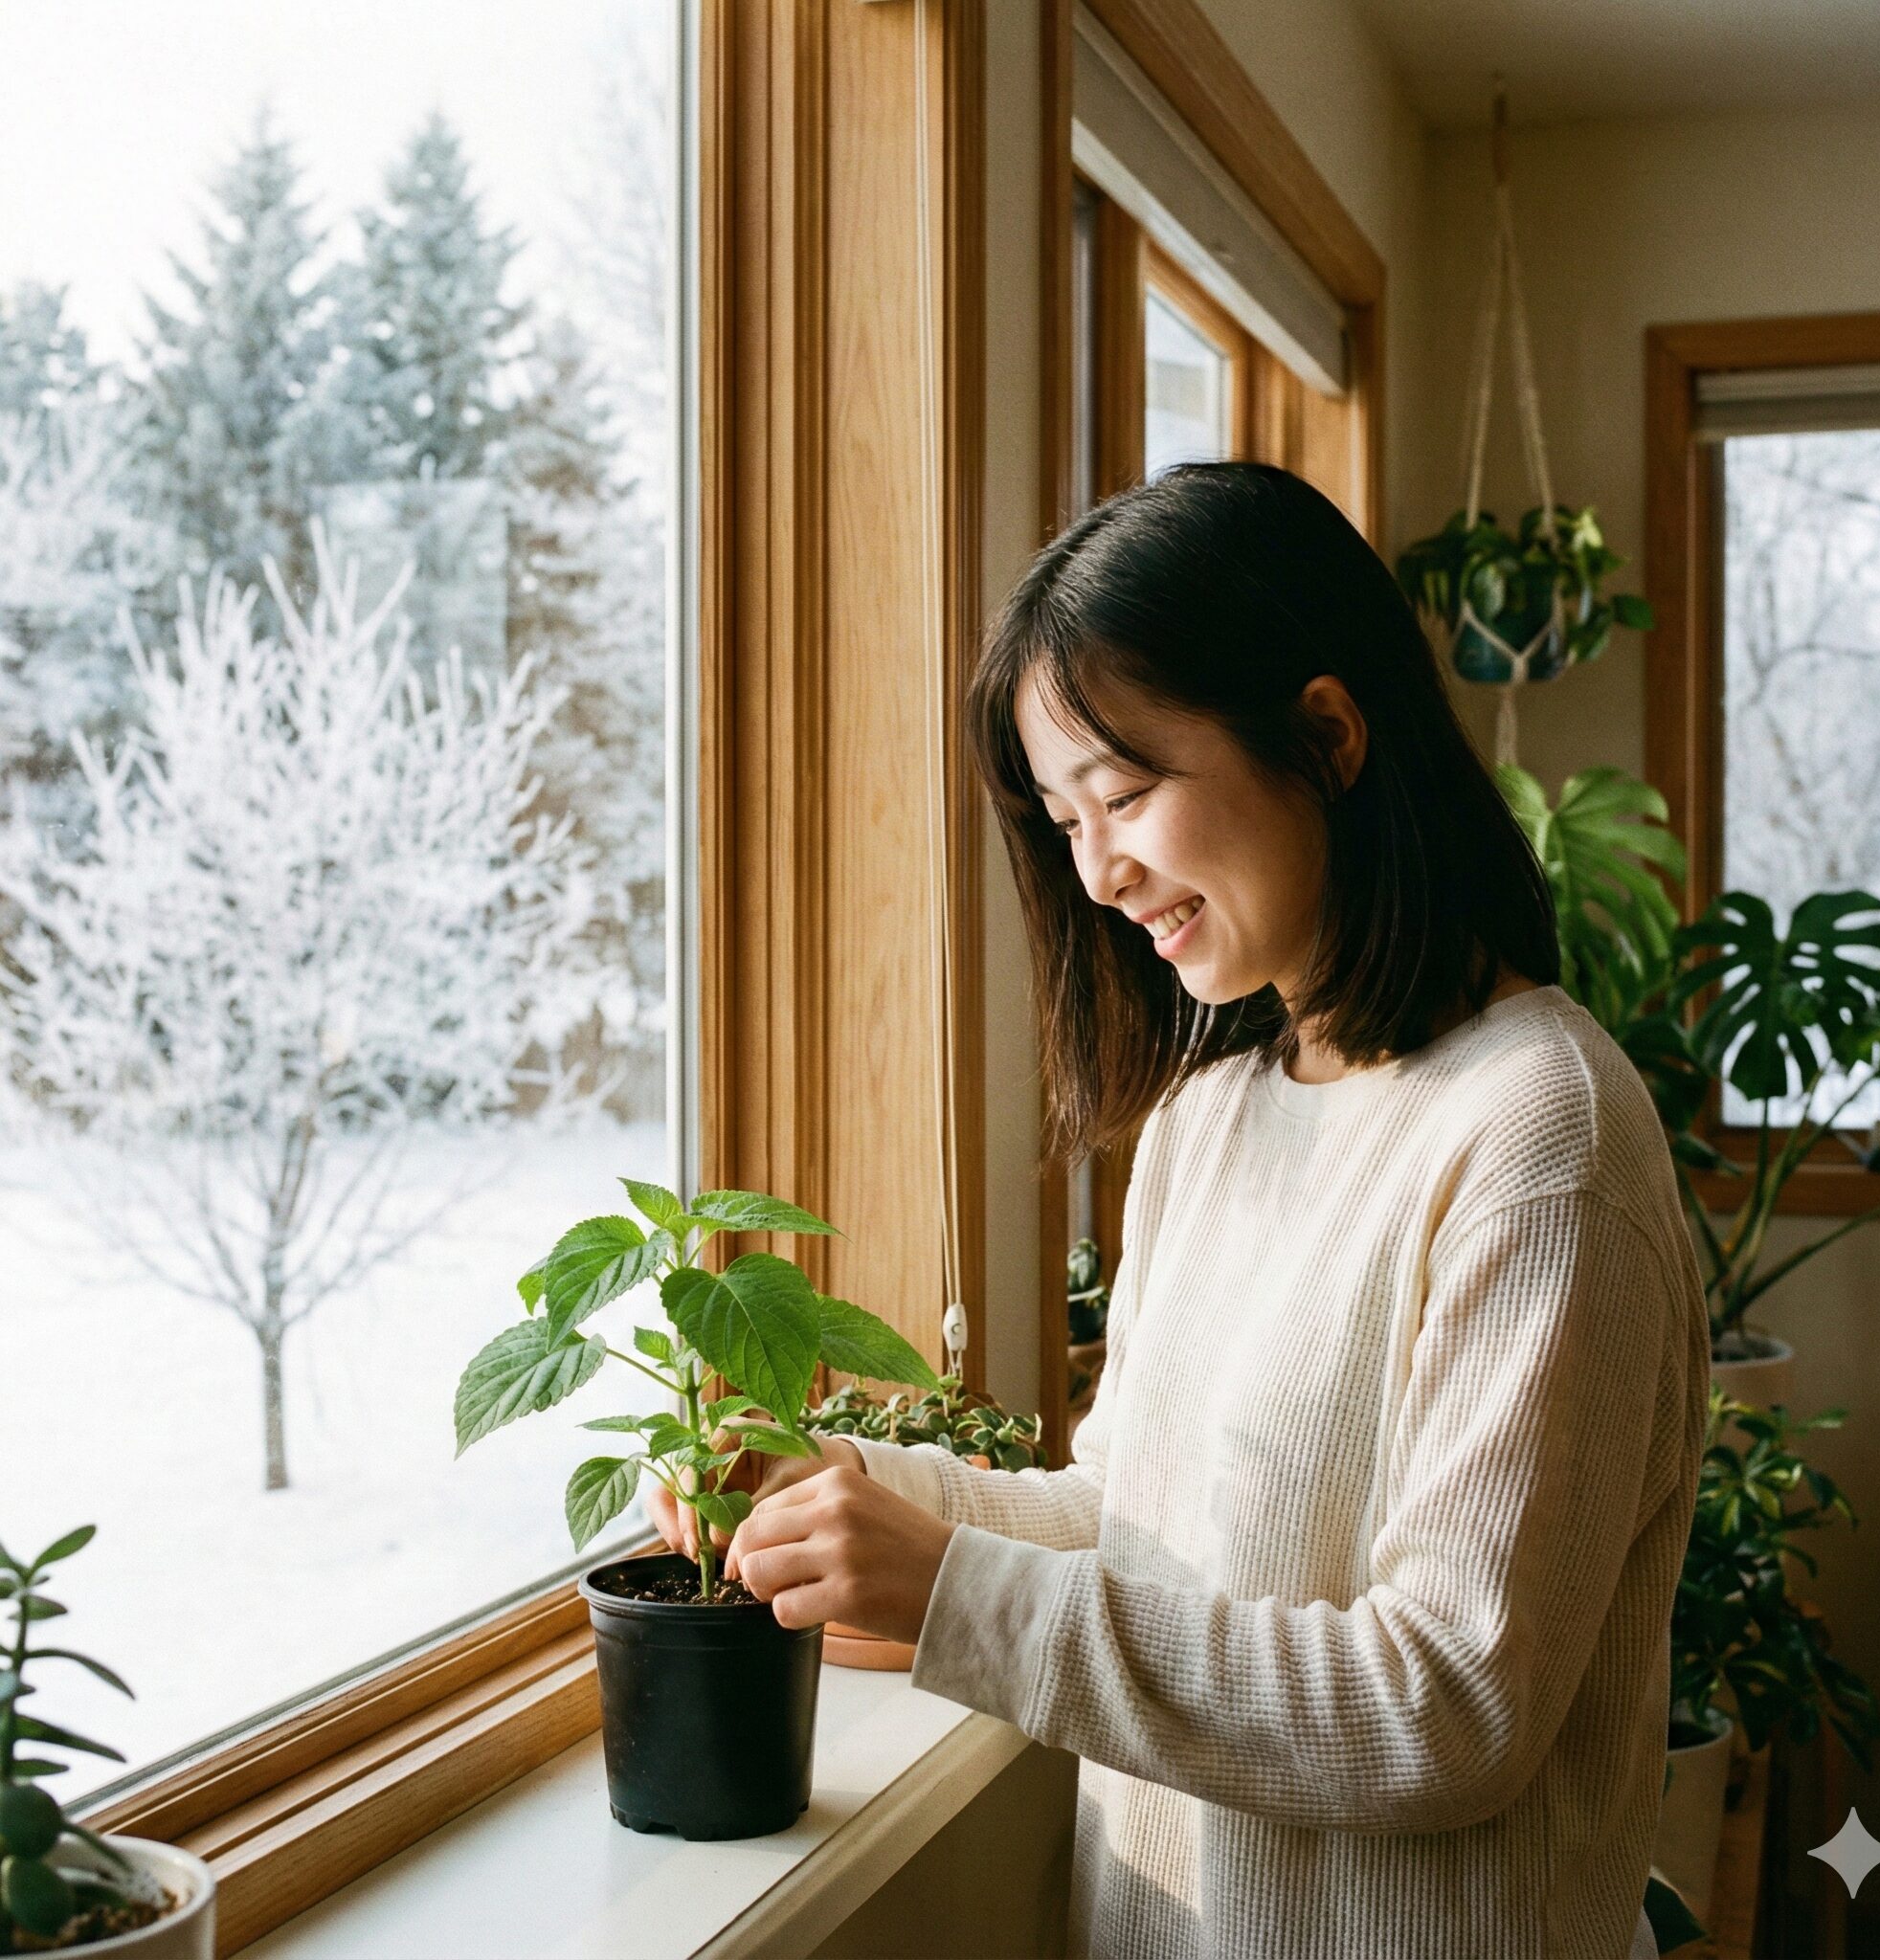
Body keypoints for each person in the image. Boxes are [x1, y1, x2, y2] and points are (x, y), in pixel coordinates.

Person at [649, 462, 1706, 1960]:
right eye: (1065, 820)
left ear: (1327, 735)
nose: (1098, 873)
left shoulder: (1542, 1134)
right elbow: (1134, 1526)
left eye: (1127, 794)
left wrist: (953, 1593)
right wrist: (846, 1494)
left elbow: (1447, 1708)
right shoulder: (1215, 1115)